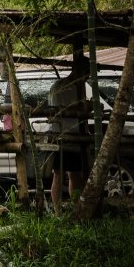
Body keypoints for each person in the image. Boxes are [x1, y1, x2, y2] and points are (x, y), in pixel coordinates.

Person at [49, 55, 89, 211]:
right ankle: (58, 210)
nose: (88, 76)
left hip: (73, 134)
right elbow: (62, 111)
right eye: (87, 72)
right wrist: (85, 109)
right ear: (80, 70)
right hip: (63, 135)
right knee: (60, 174)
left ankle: (73, 207)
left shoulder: (76, 86)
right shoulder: (64, 86)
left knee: (74, 173)